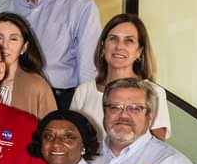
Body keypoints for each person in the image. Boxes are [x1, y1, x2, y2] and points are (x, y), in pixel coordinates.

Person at [2, 0, 101, 110]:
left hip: (62, 99)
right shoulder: (8, 7)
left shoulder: (80, 4)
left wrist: (83, 110)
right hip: (17, 97)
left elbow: (88, 65)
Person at [71, 14, 171, 142]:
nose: (119, 46)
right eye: (113, 39)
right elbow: (73, 140)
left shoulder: (154, 93)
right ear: (103, 46)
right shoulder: (83, 92)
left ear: (139, 51)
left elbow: (156, 150)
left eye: (129, 40)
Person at [0, 12, 57, 119]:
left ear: (24, 47)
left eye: (13, 39)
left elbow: (50, 128)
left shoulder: (37, 86)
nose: (5, 45)